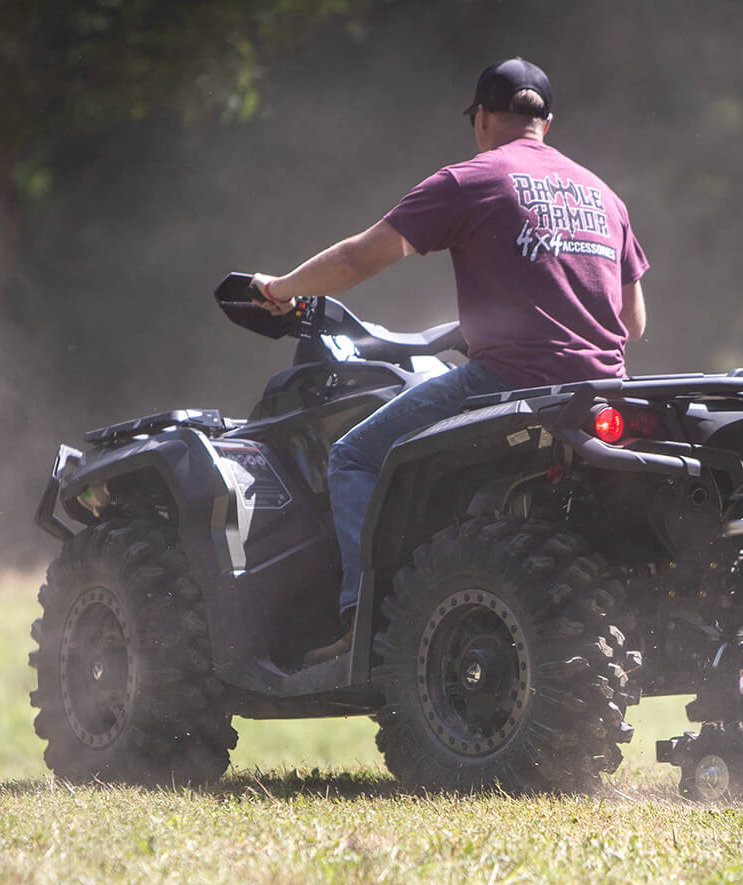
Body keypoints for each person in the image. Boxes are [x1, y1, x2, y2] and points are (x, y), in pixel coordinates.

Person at [253, 57, 650, 667]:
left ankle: (364, 631)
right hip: (605, 393)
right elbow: (633, 323)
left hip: (510, 383)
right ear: (547, 122)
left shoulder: (474, 180)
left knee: (355, 456)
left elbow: (360, 258)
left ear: (483, 119)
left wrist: (281, 288)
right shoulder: (604, 195)